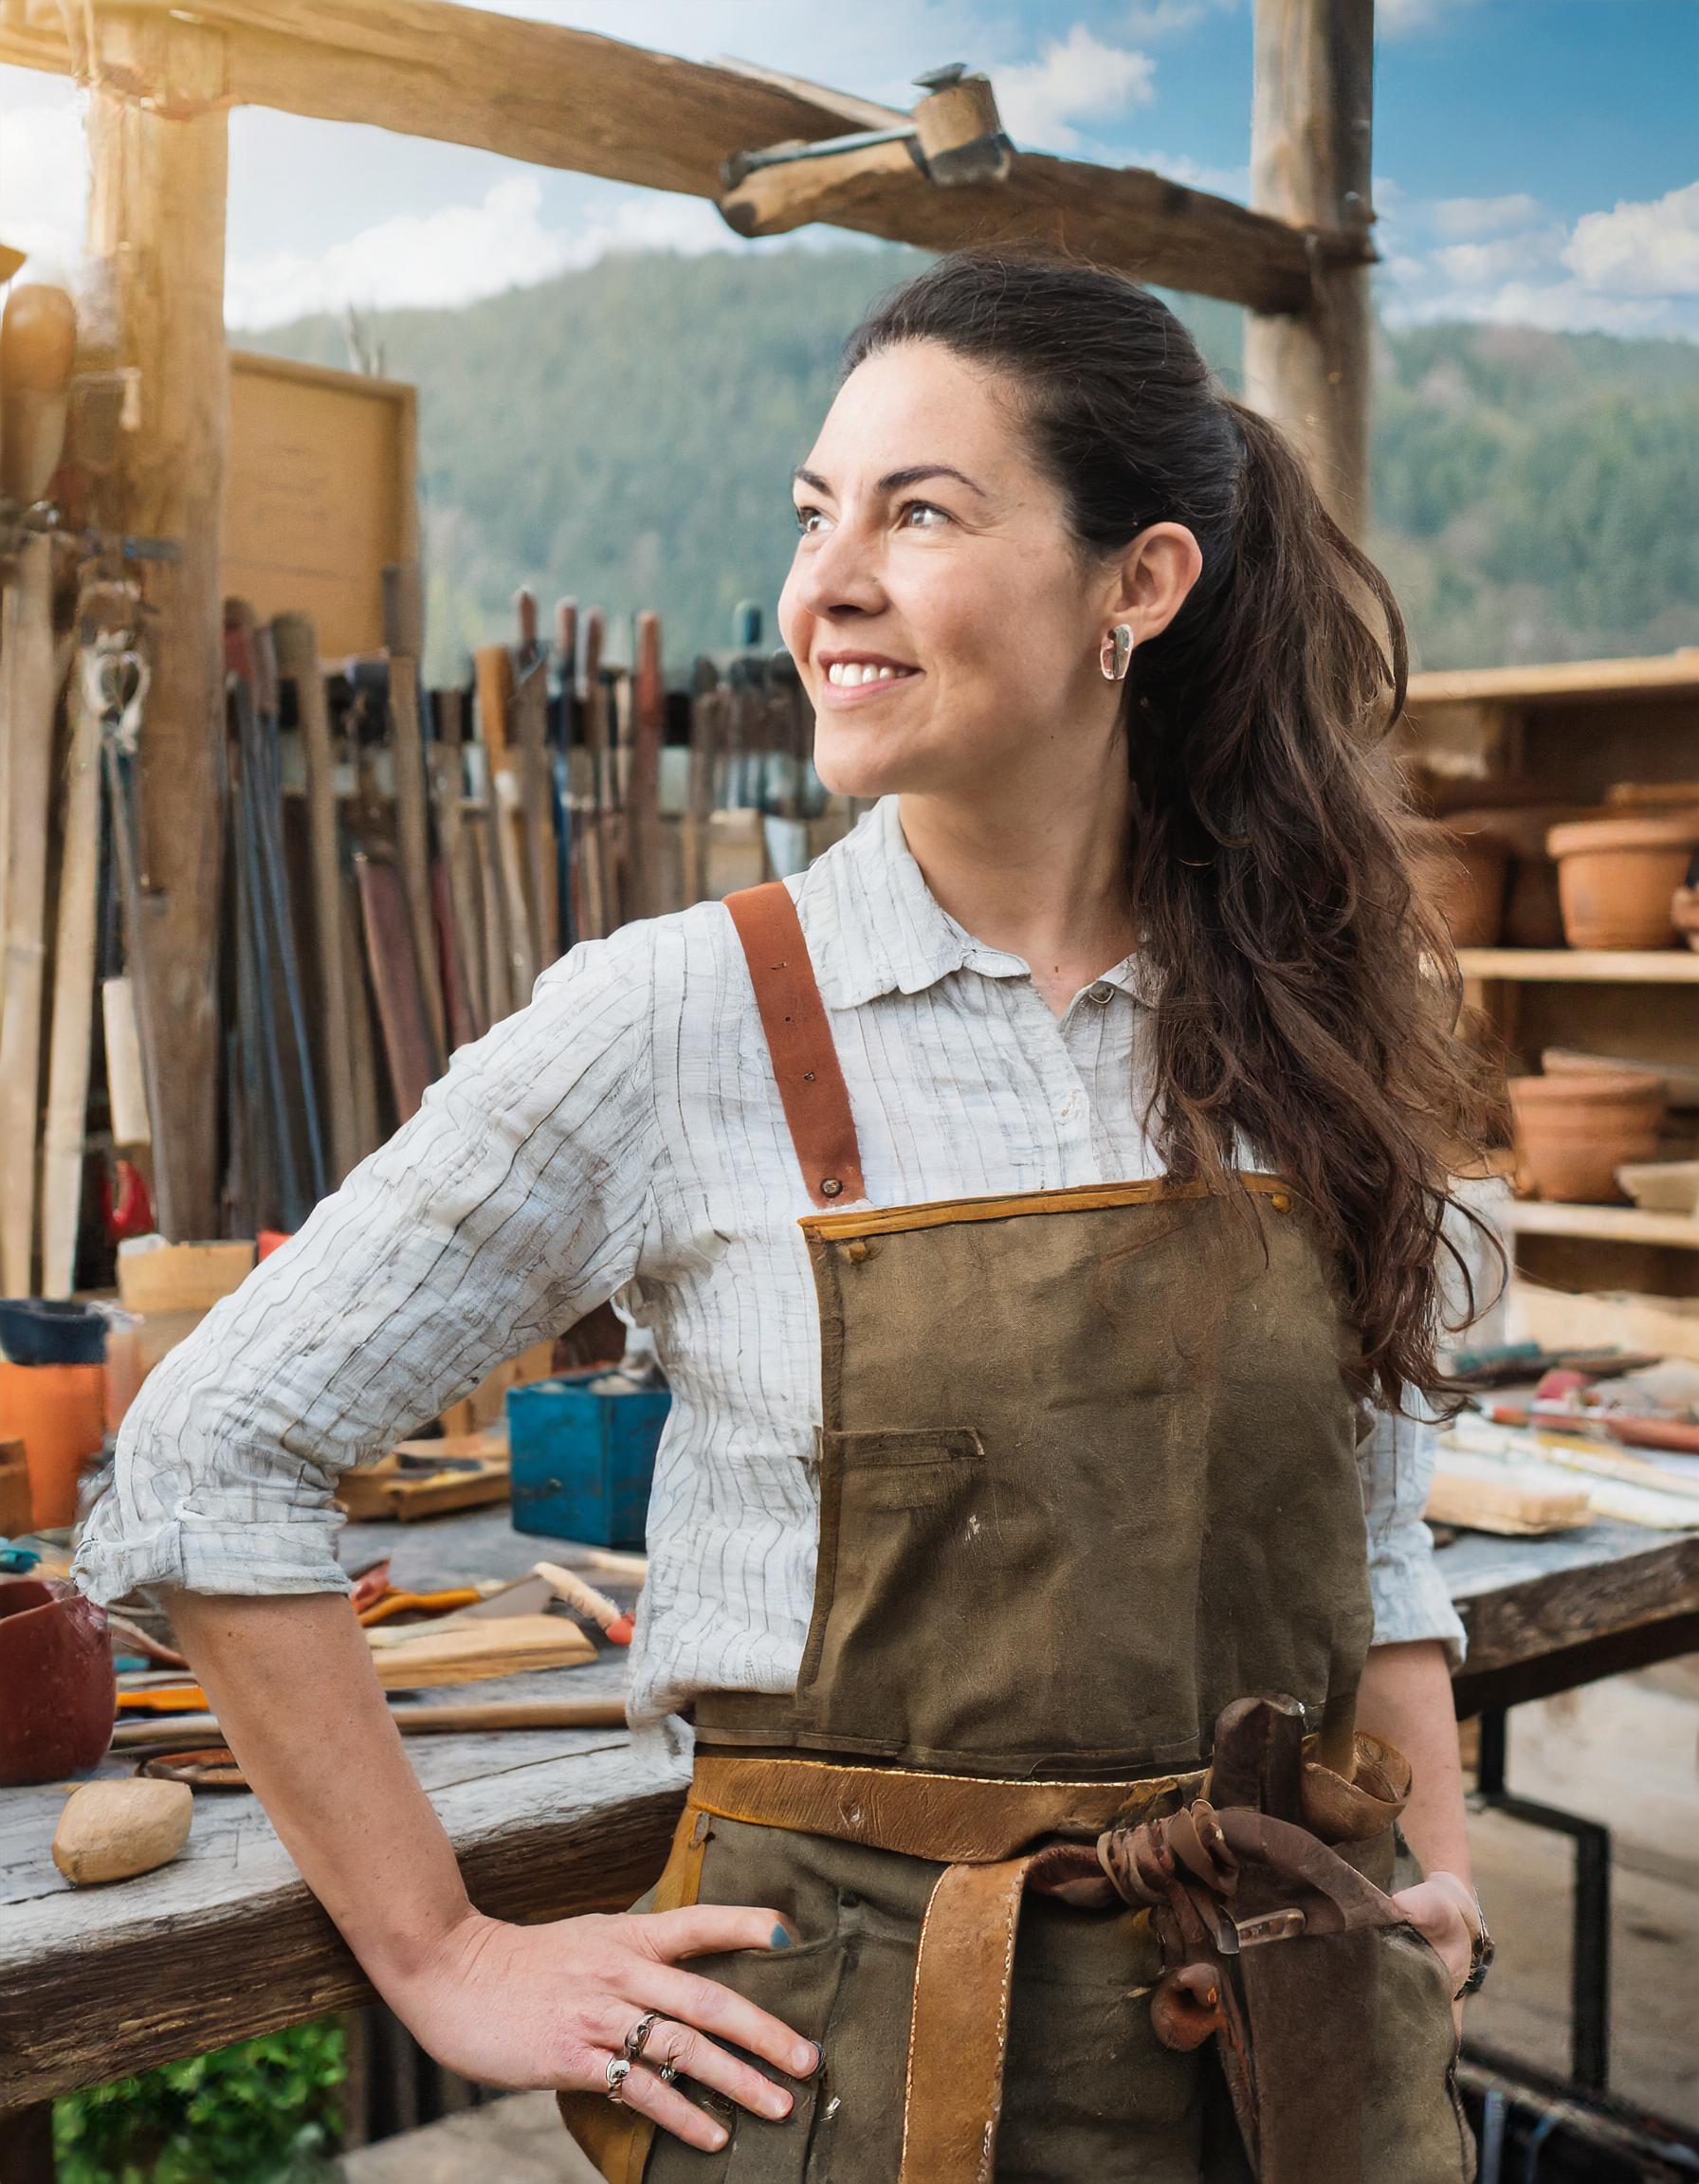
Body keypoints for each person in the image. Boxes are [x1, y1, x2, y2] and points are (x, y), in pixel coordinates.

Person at [76, 248, 1493, 2181]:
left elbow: (1377, 1535)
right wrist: (441, 1948)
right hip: (858, 2064)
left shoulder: (1311, 1015)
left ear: (1136, 587)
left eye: (919, 513)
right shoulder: (683, 1013)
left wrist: (1431, 1867)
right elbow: (208, 1452)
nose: (824, 582)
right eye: (816, 514)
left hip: (1292, 2046)